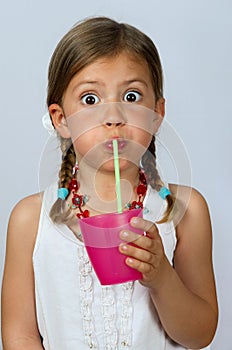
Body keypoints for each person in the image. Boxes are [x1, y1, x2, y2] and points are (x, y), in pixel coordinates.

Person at [1, 16, 218, 350]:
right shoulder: (30, 220)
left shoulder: (185, 211)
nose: (113, 116)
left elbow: (199, 335)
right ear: (61, 120)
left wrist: (161, 277)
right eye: (90, 99)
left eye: (131, 96)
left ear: (157, 114)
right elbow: (20, 335)